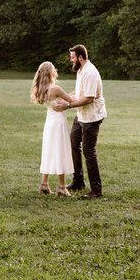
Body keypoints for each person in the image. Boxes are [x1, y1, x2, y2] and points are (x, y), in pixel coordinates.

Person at [54, 44, 106, 198]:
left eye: (72, 57)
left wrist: (67, 105)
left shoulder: (90, 72)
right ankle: (78, 181)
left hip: (92, 117)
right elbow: (79, 92)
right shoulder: (81, 71)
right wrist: (63, 97)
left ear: (80, 57)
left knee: (89, 151)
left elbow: (89, 98)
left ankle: (96, 190)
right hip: (81, 115)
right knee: (73, 143)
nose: (71, 60)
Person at [31, 61, 74, 196]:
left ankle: (44, 184)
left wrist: (70, 96)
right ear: (50, 73)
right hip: (58, 122)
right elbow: (71, 101)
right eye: (54, 69)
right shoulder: (56, 88)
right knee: (60, 150)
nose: (56, 70)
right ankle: (61, 187)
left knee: (49, 150)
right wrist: (76, 94)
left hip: (49, 122)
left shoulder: (43, 89)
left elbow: (66, 98)